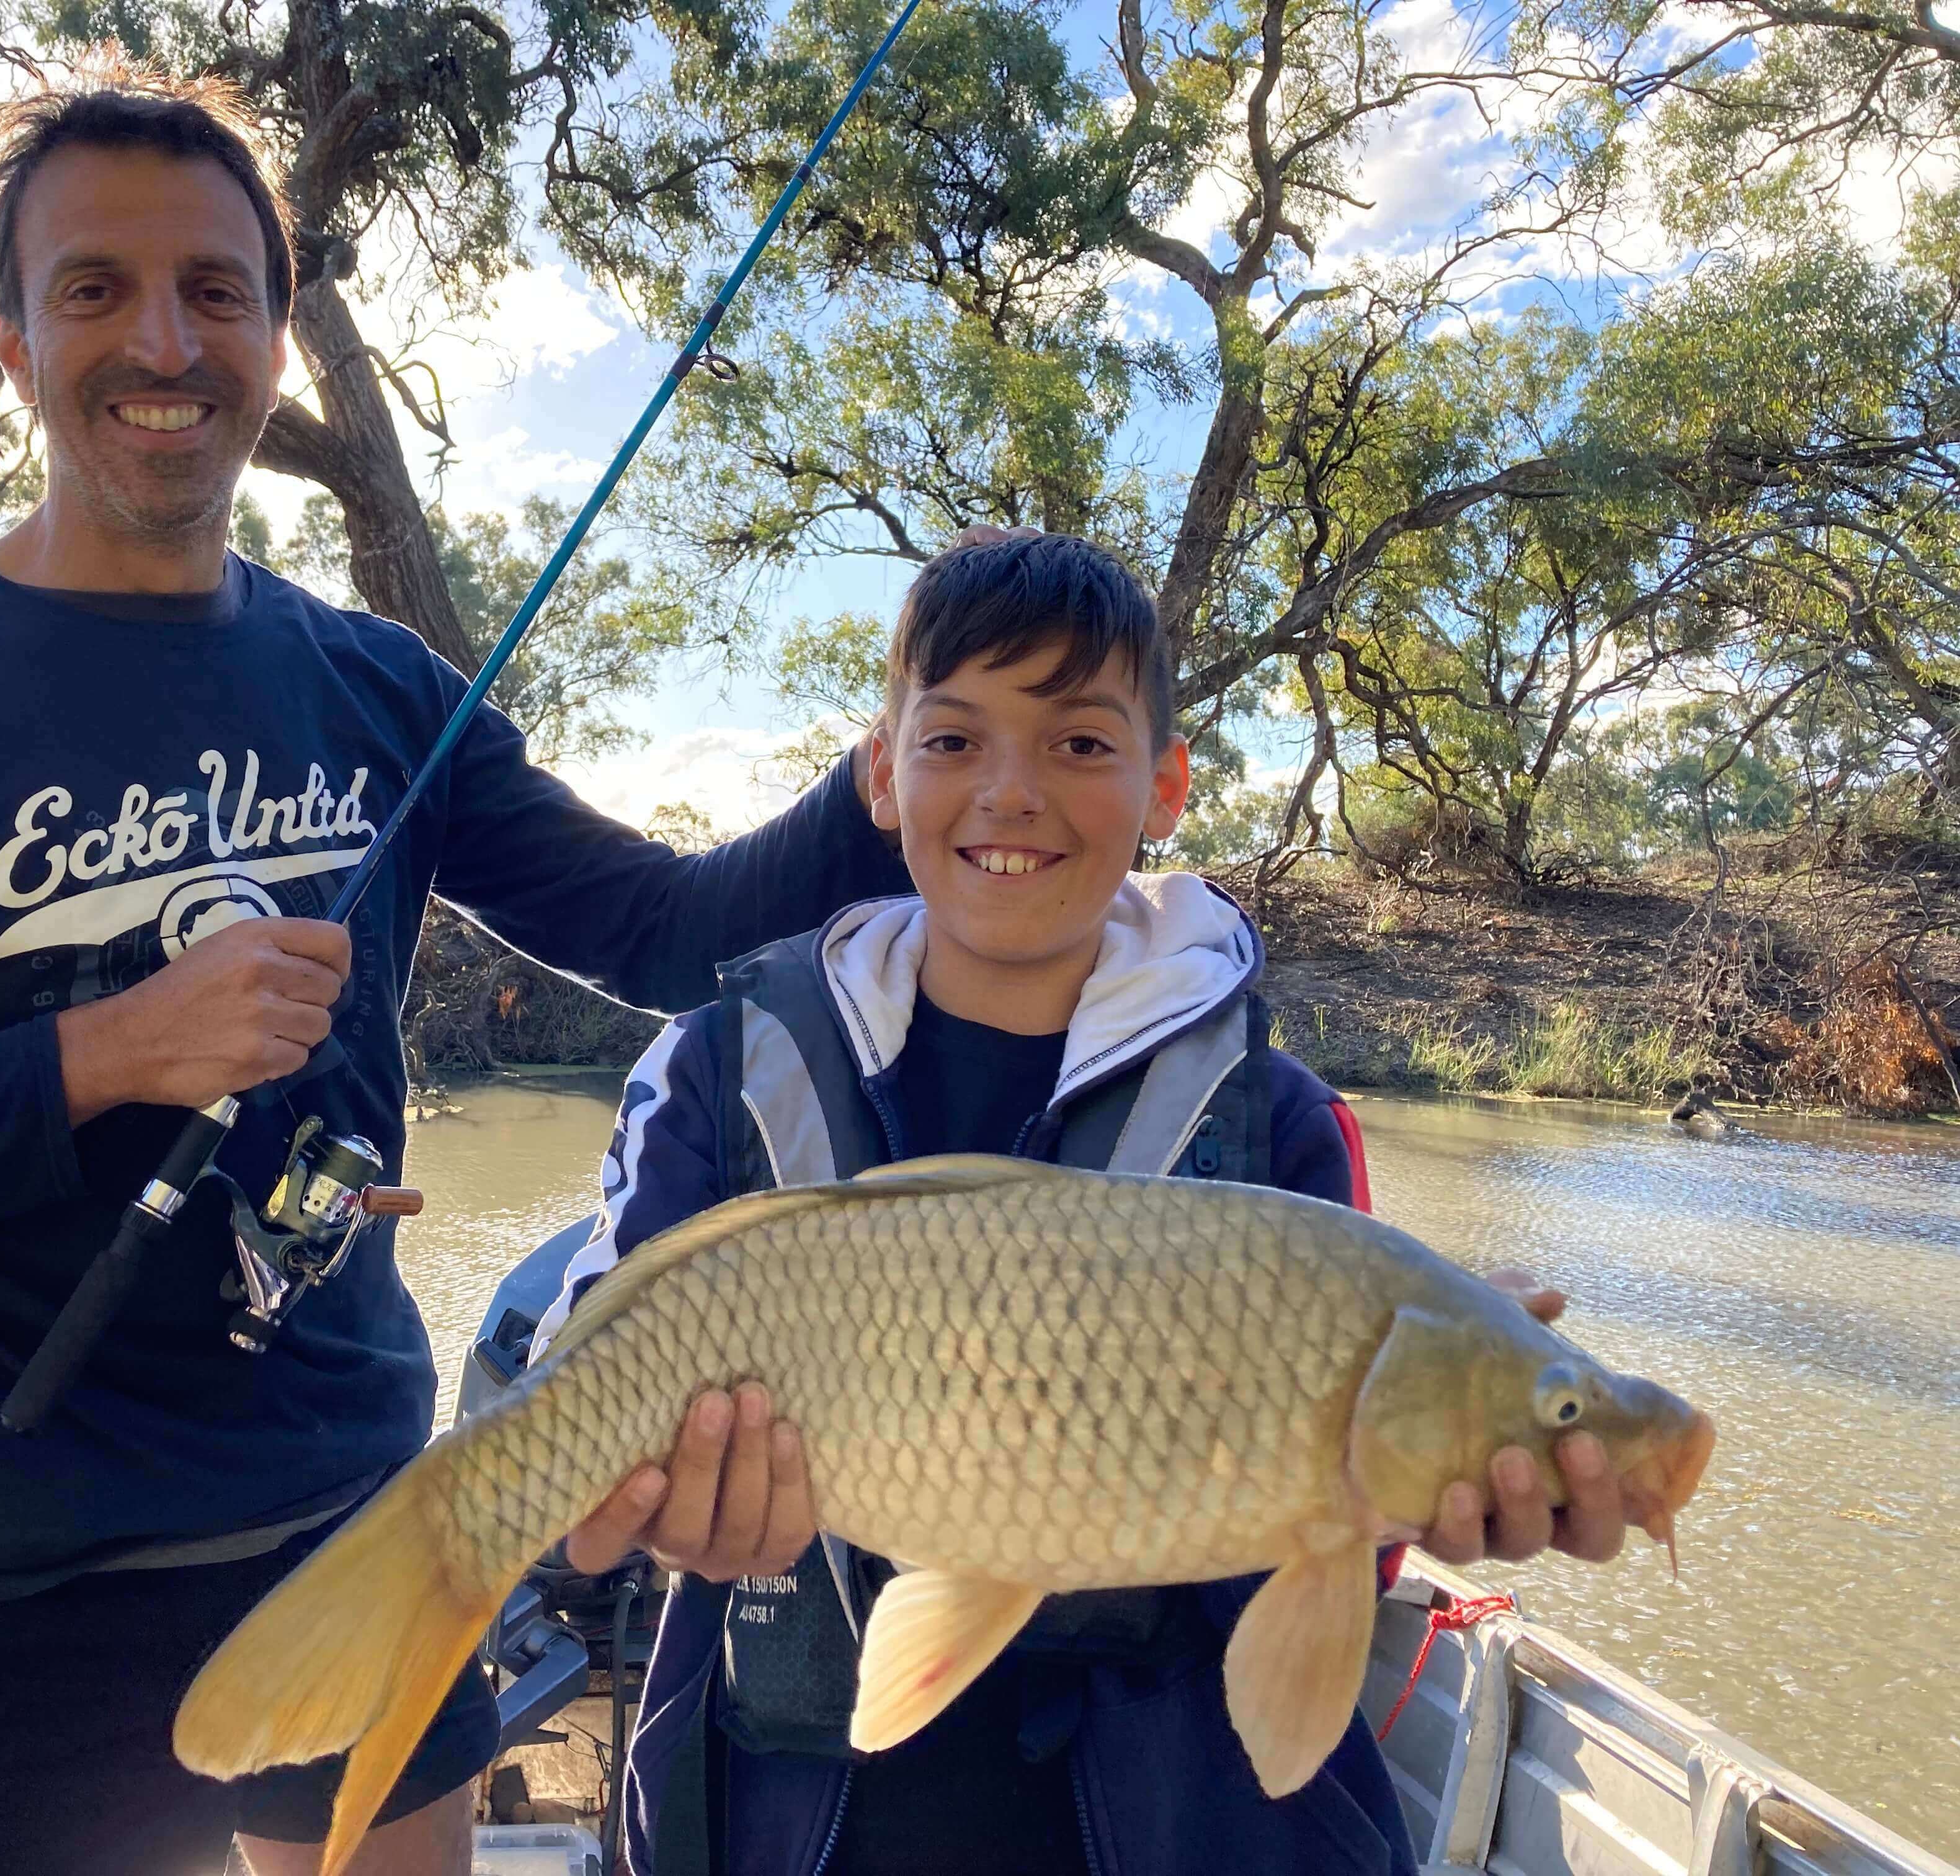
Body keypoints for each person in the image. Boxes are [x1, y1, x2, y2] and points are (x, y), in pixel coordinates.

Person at [0, 55, 916, 1876]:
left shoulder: (377, 685)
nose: (166, 340)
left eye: (218, 291)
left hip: (359, 1524)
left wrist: (907, 770)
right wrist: (100, 1055)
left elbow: (667, 934)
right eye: (97, 289)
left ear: (280, 342)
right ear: (12, 349)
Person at [540, 532, 1667, 1876]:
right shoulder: (716, 1070)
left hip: (1175, 1825)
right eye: (954, 741)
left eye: (1080, 744)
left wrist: (1439, 1487)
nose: (1010, 794)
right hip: (784, 1822)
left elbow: (1316, 1591)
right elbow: (567, 1425)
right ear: (881, 776)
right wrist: (607, 1507)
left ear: (1167, 786)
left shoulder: (1283, 1124)